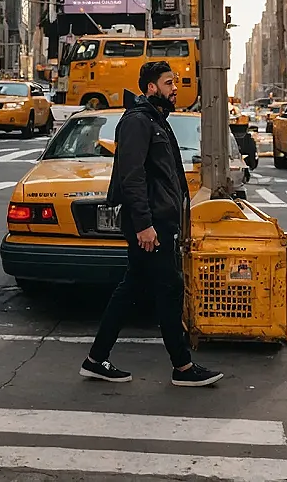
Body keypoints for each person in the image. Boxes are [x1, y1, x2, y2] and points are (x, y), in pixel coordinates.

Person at [80, 61, 223, 388]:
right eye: (169, 83)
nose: (176, 88)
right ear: (151, 88)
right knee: (168, 288)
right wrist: (145, 224)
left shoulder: (156, 120)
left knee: (134, 287)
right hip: (150, 224)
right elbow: (132, 177)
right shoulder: (138, 122)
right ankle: (183, 366)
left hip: (158, 221)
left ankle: (95, 359)